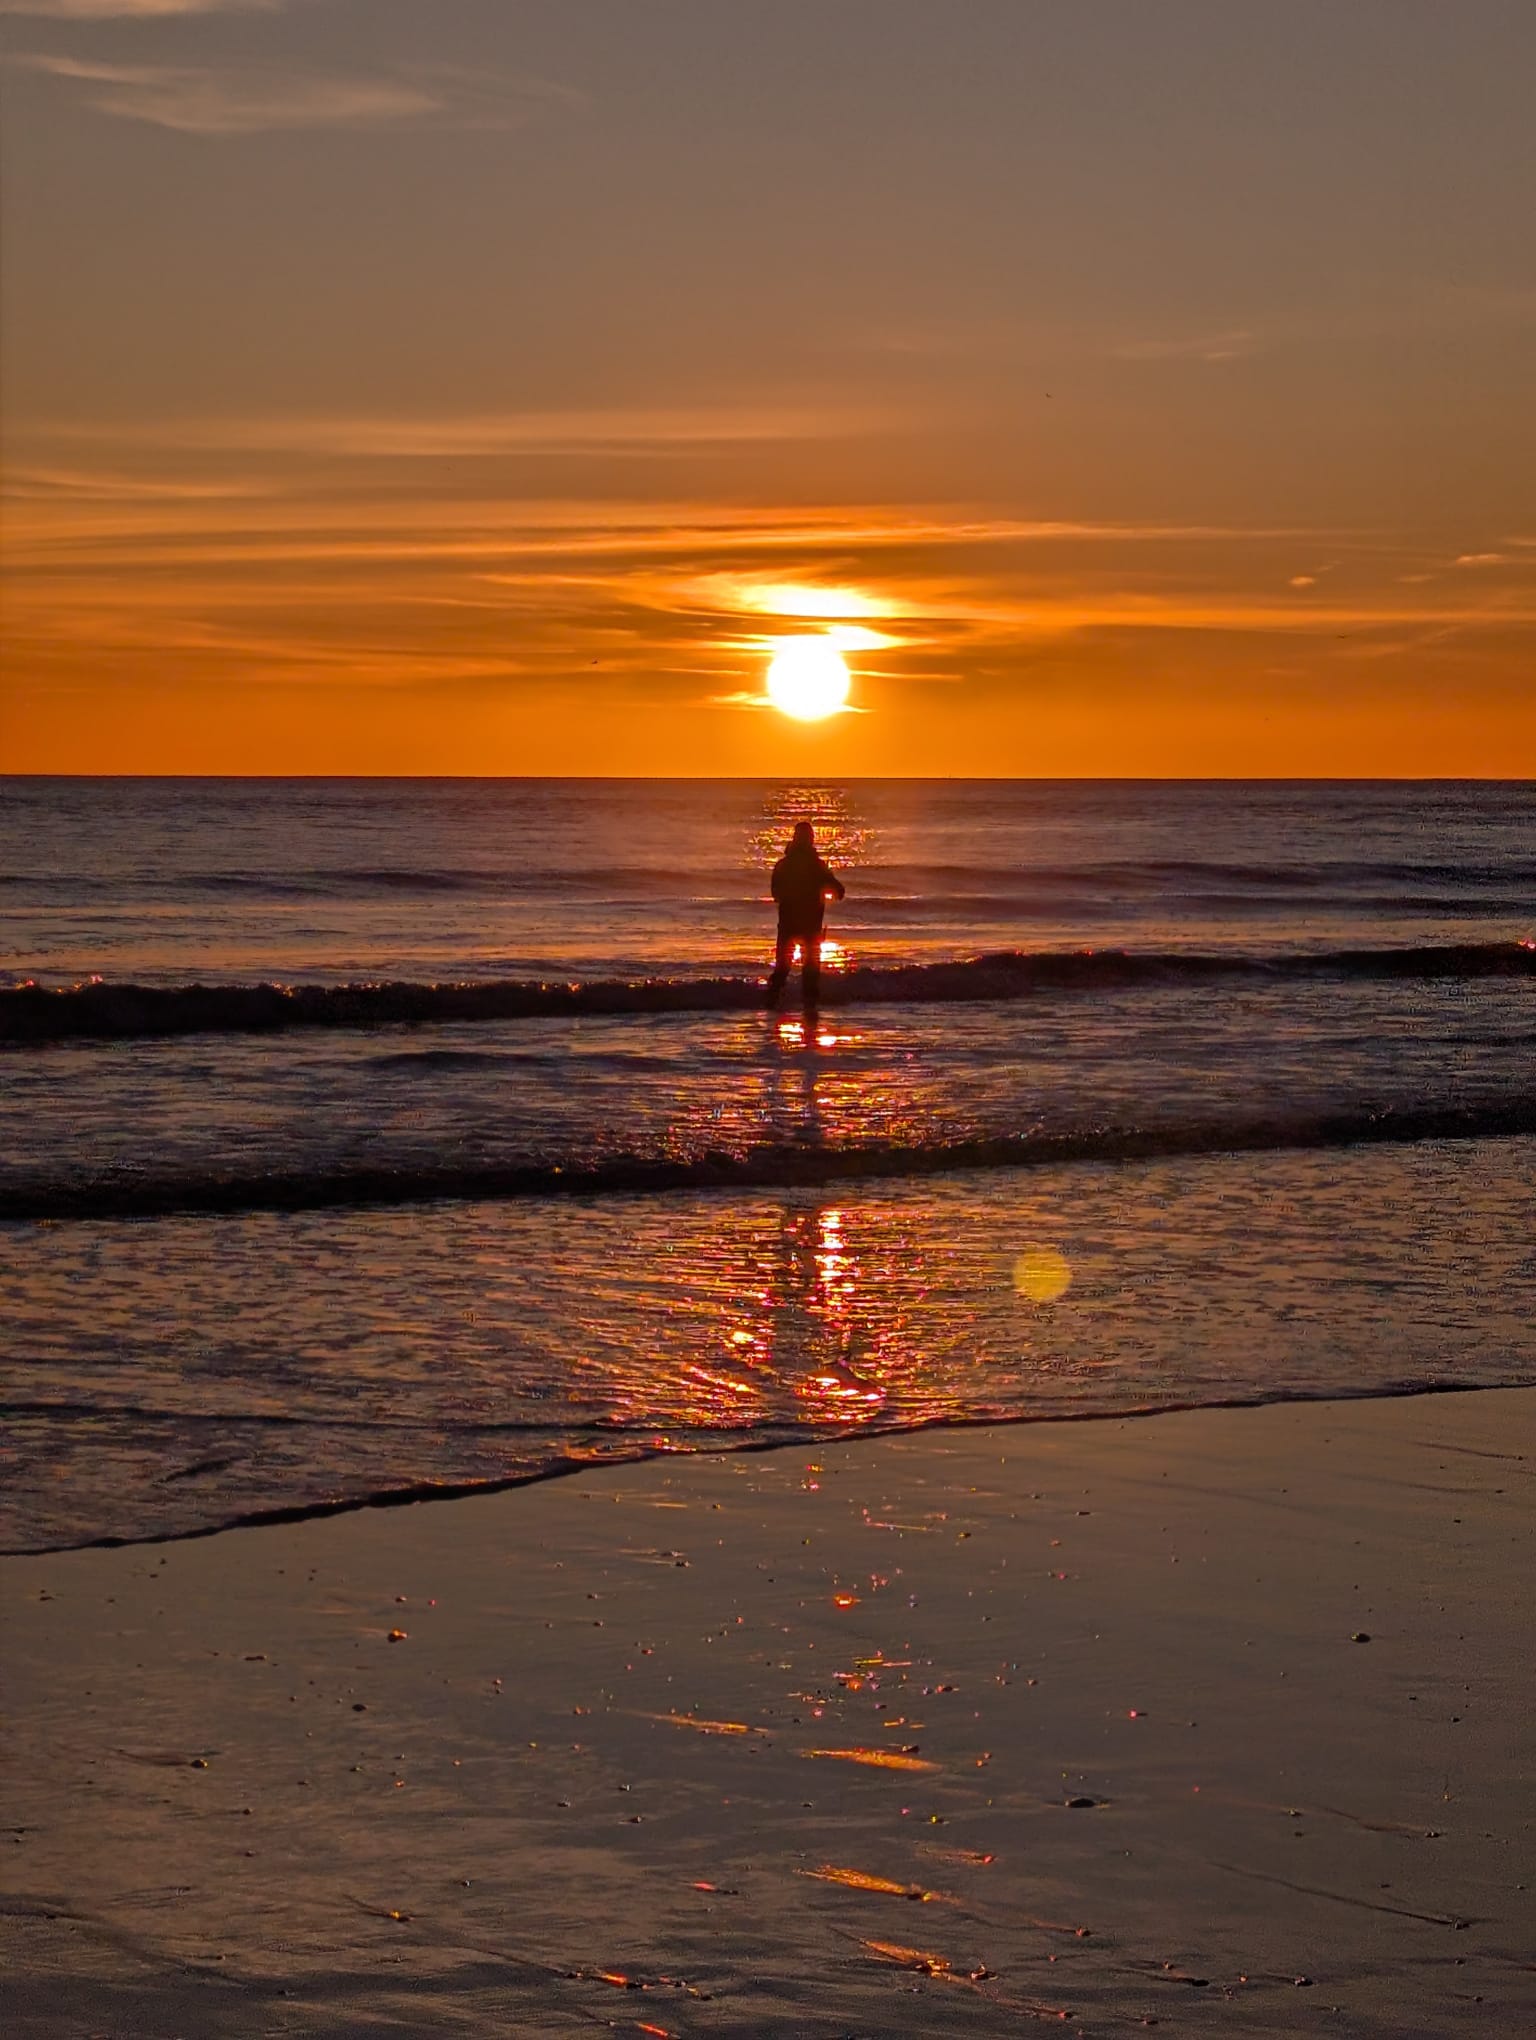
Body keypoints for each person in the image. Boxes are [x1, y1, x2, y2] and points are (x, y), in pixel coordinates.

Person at [766, 820, 845, 1008]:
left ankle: (771, 1005)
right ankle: (808, 1009)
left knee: (783, 968)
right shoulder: (816, 865)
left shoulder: (783, 864)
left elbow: (775, 893)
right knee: (809, 970)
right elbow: (839, 891)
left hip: (788, 923)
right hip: (809, 925)